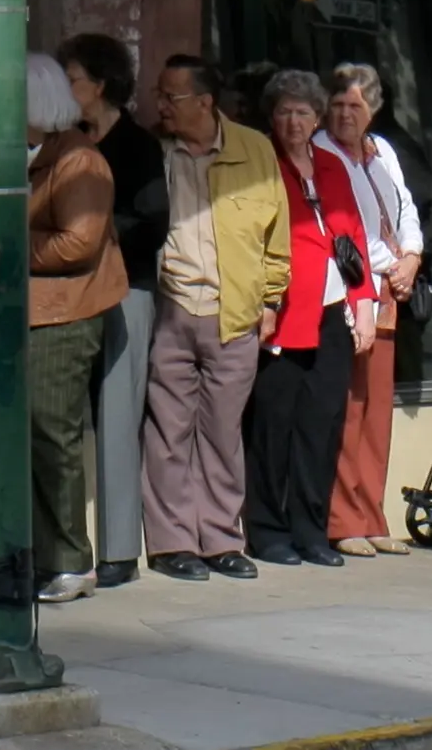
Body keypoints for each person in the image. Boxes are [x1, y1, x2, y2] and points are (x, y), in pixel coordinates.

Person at [141, 55, 287, 583]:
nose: (161, 105)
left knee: (223, 432)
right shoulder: (155, 151)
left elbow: (278, 236)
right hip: (174, 306)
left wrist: (270, 299)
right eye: (160, 95)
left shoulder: (254, 149)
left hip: (235, 311)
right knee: (169, 431)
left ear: (205, 102)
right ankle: (172, 542)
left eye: (171, 96)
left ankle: (222, 540)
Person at [242, 70, 375, 568]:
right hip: (284, 311)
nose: (293, 121)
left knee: (322, 424)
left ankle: (311, 529)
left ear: (317, 118)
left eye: (302, 112)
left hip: (332, 310)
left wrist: (364, 304)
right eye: (284, 112)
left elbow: (353, 236)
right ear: (271, 118)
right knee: (272, 427)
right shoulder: (262, 164)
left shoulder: (332, 166)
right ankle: (268, 530)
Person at [60, 32, 164, 589]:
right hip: (72, 287)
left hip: (128, 288)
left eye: (72, 78)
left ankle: (120, 550)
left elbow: (153, 219)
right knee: (64, 418)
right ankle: (65, 541)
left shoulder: (138, 145)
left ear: (98, 85)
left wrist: (92, 234)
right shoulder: (63, 140)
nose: (64, 87)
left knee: (119, 416)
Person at [23, 52, 125, 602]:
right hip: (25, 311)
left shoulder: (80, 161)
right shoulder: (17, 153)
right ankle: (36, 552)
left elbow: (79, 243)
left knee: (51, 433)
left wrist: (6, 243)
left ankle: (70, 560)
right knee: (25, 437)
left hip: (65, 313)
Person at [325, 62, 427, 555]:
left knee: (377, 407)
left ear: (374, 110)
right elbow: (348, 228)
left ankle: (372, 515)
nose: (346, 115)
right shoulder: (323, 152)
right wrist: (393, 266)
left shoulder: (382, 150)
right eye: (339, 105)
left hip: (387, 288)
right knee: (350, 404)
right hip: (351, 287)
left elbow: (404, 207)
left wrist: (413, 256)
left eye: (356, 106)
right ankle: (344, 519)